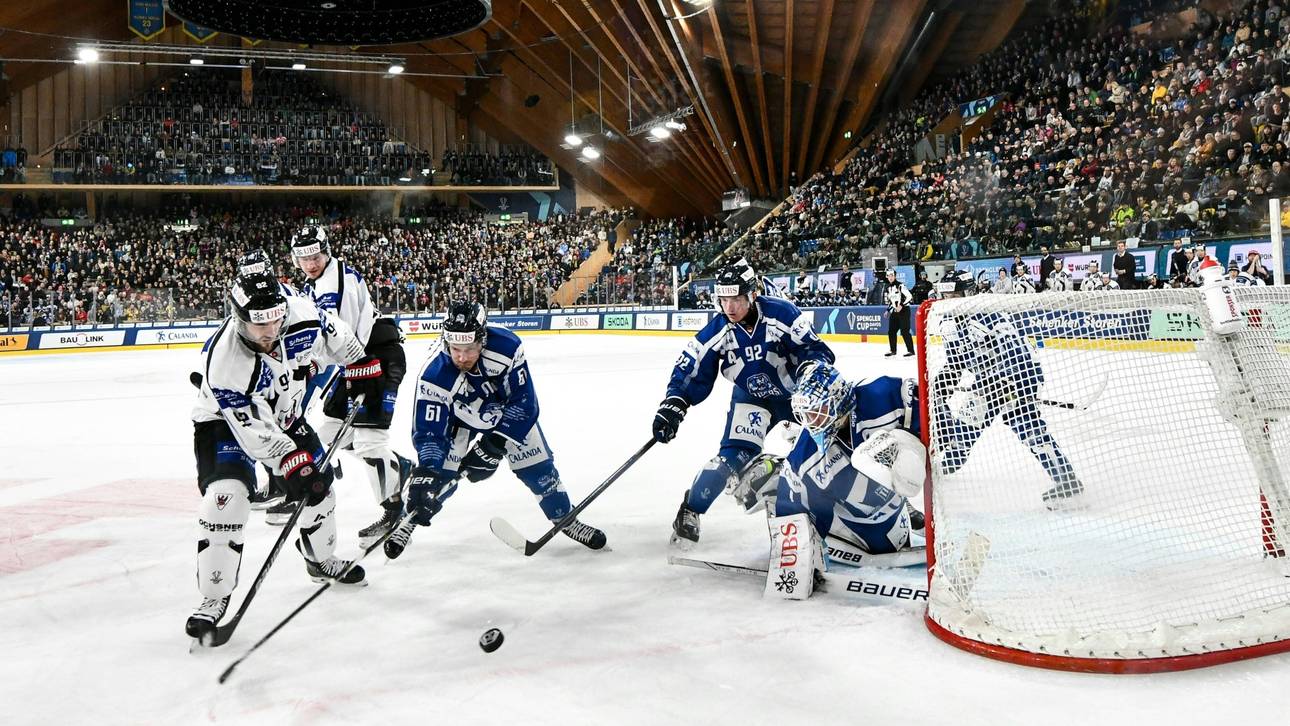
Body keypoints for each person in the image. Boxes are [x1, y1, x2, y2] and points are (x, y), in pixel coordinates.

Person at [186, 268, 369, 641]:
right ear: (239, 320)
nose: (270, 333)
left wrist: (359, 363)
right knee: (225, 500)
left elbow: (335, 332)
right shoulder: (225, 361)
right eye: (259, 327)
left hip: (285, 414)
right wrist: (289, 460)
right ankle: (213, 598)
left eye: (276, 321)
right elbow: (252, 430)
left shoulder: (300, 312)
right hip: (224, 422)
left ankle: (320, 560)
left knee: (320, 489)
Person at [388, 300, 606, 558]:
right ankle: (408, 520)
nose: (461, 357)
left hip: (504, 415)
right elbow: (430, 431)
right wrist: (426, 471)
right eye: (455, 348)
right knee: (439, 479)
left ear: (483, 339)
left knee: (538, 470)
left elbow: (524, 402)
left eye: (469, 349)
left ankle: (566, 519)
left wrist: (495, 444)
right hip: (458, 419)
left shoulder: (507, 347)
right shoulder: (434, 373)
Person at [651, 259, 834, 549]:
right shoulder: (720, 328)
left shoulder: (782, 313)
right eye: (724, 300)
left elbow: (817, 351)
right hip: (752, 399)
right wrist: (674, 403)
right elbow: (691, 366)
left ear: (752, 294)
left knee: (832, 443)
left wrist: (811, 378)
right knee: (731, 459)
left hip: (795, 396)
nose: (729, 307)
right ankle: (691, 509)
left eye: (736, 299)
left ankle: (874, 502)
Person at [288, 226, 413, 547]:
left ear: (325, 251)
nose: (310, 264)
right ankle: (396, 465)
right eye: (303, 259)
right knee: (328, 436)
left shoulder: (332, 285)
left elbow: (341, 339)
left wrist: (310, 366)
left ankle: (394, 508)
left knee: (370, 441)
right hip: (355, 362)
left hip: (377, 360)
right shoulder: (319, 280)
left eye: (315, 257)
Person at [731, 361, 926, 566]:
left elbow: (930, 417)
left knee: (877, 454)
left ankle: (905, 503)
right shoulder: (805, 455)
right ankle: (774, 471)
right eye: (806, 413)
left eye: (817, 410)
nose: (812, 421)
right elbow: (793, 505)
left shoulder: (882, 397)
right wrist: (796, 560)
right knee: (791, 481)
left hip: (892, 511)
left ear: (838, 399)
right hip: (862, 526)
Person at [928, 271, 1083, 509]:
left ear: (968, 292)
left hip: (1019, 377)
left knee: (1029, 430)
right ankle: (945, 464)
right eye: (946, 294)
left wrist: (1012, 383)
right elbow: (956, 363)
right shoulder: (947, 322)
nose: (949, 299)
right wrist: (943, 384)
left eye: (954, 294)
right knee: (964, 430)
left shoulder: (989, 315)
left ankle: (1069, 485)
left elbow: (1018, 353)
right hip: (987, 383)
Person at [884, 269, 915, 357]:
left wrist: (901, 305)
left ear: (895, 276)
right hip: (894, 311)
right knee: (891, 331)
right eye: (888, 275)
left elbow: (909, 296)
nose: (890, 277)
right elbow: (891, 301)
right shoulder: (888, 288)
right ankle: (893, 350)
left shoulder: (900, 285)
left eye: (892, 275)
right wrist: (888, 310)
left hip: (904, 311)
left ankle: (911, 350)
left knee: (905, 331)